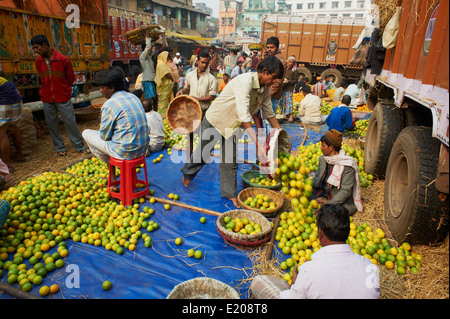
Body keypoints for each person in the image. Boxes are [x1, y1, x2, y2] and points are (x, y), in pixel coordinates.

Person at [181, 56, 287, 209]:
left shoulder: (265, 91)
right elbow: (244, 115)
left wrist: (281, 134)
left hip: (232, 125)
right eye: (274, 78)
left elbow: (269, 113)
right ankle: (187, 173)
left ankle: (229, 194)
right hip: (217, 119)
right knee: (204, 152)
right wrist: (258, 144)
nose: (275, 82)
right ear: (264, 71)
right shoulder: (245, 82)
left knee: (230, 160)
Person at [250, 204, 379, 299]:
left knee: (258, 282)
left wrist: (294, 285)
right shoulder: (370, 267)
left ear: (320, 232)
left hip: (302, 282)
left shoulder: (309, 271)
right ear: (348, 232)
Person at [82, 70, 149, 180]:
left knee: (86, 133)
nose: (100, 91)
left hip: (125, 152)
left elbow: (104, 136)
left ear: (111, 88)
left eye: (102, 88)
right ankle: (113, 172)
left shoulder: (109, 105)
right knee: (114, 135)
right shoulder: (134, 97)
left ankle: (111, 171)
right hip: (142, 150)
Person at [31, 34, 89, 157]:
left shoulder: (63, 60)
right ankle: (59, 148)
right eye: (34, 48)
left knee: (70, 122)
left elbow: (71, 79)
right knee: (52, 124)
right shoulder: (38, 62)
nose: (35, 51)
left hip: (62, 97)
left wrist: (62, 90)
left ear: (45, 45)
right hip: (47, 98)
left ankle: (79, 146)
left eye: (37, 47)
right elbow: (42, 79)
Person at [177, 49, 217, 159]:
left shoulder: (211, 79)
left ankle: (203, 159)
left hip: (204, 110)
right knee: (190, 136)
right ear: (197, 61)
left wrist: (197, 98)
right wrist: (182, 91)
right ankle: (188, 162)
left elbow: (212, 96)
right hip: (192, 110)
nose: (204, 65)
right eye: (202, 62)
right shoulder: (189, 75)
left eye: (206, 63)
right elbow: (187, 88)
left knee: (204, 137)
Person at [312, 129, 363, 215]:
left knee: (332, 215)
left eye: (323, 146)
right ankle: (324, 199)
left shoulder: (348, 165)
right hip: (324, 192)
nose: (321, 148)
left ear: (331, 148)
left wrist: (328, 205)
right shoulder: (323, 159)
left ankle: (328, 203)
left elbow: (345, 191)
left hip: (338, 200)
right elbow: (317, 178)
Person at [0, 76, 25, 171]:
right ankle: (20, 155)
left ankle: (8, 165)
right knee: (13, 126)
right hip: (16, 100)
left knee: (1, 133)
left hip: (5, 101)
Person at [139, 29, 166, 99]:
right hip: (147, 80)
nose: (151, 49)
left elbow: (162, 48)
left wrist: (163, 37)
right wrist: (147, 37)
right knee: (149, 99)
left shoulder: (150, 56)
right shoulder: (143, 57)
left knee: (155, 98)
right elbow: (148, 48)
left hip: (152, 80)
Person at [264, 36, 288, 115]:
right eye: (268, 47)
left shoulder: (280, 61)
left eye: (272, 47)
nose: (269, 50)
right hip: (266, 94)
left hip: (272, 96)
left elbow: (278, 82)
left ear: (277, 47)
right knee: (264, 119)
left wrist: (267, 96)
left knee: (269, 120)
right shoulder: (270, 58)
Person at [154, 50, 174, 117]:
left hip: (166, 88)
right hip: (163, 87)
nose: (169, 58)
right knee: (163, 102)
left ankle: (166, 115)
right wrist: (172, 79)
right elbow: (166, 73)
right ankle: (161, 116)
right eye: (168, 57)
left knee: (166, 102)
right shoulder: (161, 64)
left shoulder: (162, 63)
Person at [280, 56, 299, 122]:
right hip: (282, 87)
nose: (291, 63)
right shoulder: (284, 69)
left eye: (292, 63)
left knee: (289, 102)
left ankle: (291, 116)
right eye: (290, 62)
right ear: (288, 62)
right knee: (283, 101)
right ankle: (284, 114)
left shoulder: (294, 71)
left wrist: (289, 81)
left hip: (289, 88)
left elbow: (296, 81)